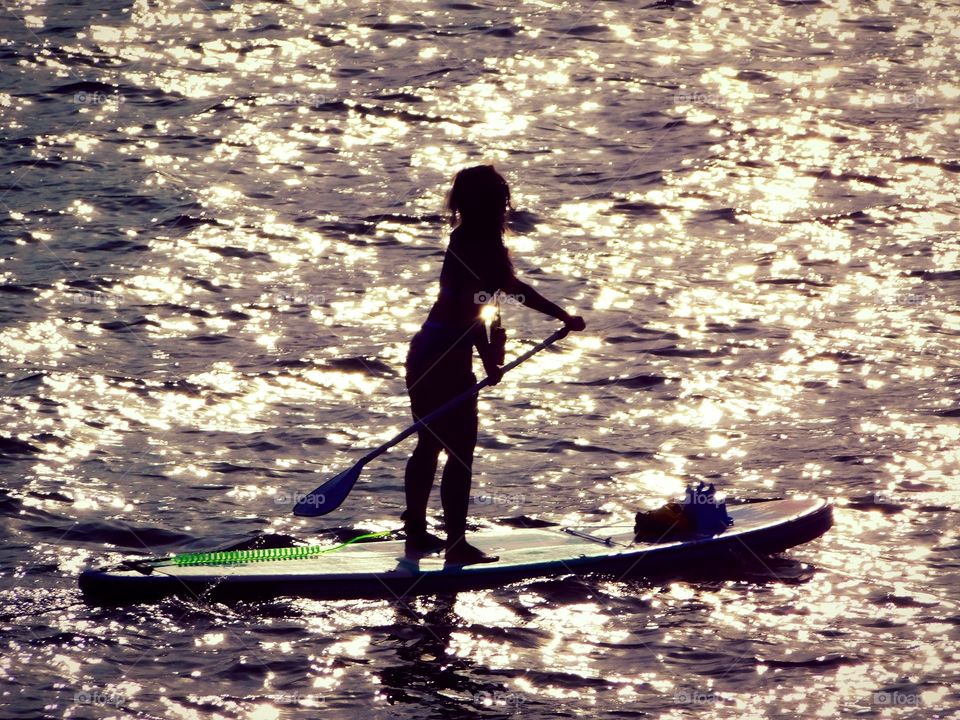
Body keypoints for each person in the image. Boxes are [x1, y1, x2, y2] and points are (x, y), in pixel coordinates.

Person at [403, 165, 586, 565]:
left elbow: (487, 301)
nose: (506, 205)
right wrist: (561, 317)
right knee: (460, 450)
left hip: (425, 352)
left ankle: (415, 534)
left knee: (430, 444)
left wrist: (489, 357)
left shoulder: (464, 237)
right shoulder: (479, 242)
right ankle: (455, 546)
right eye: (502, 198)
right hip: (445, 359)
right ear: (491, 203)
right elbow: (490, 300)